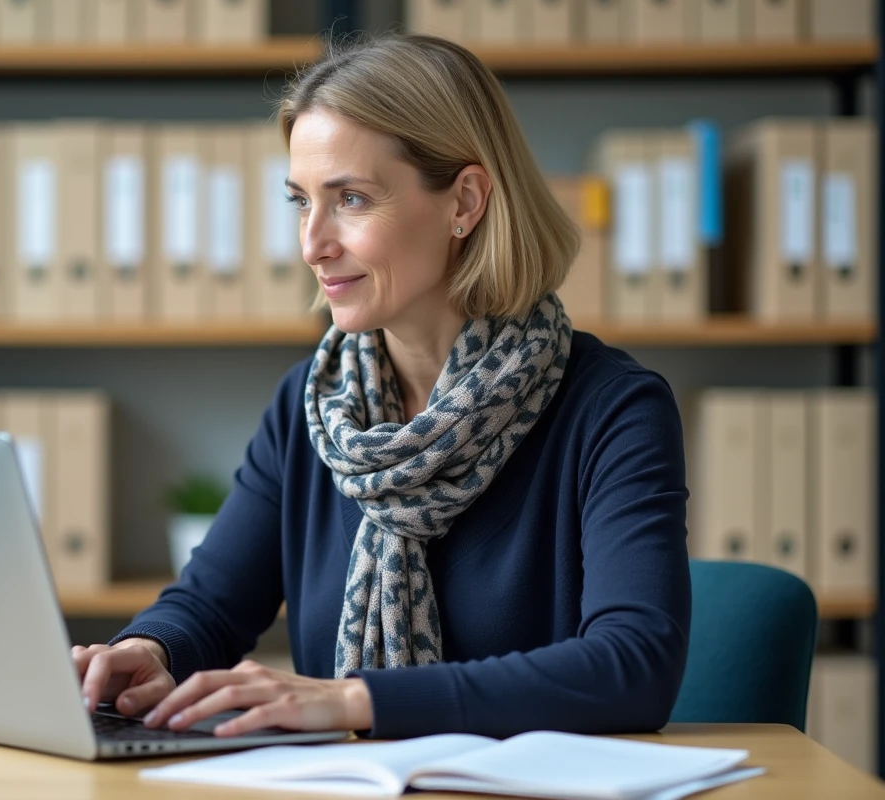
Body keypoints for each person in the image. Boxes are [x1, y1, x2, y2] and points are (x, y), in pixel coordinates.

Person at [72, 32, 691, 741]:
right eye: (300, 202)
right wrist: (149, 650)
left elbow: (634, 666)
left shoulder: (612, 409)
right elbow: (210, 605)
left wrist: (356, 701)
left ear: (465, 202)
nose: (313, 244)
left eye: (352, 199)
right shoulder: (312, 405)